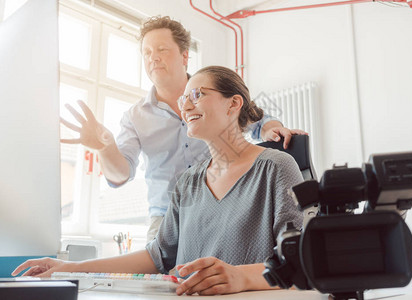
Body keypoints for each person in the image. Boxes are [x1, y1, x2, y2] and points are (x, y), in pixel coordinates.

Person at [13, 66, 304, 296]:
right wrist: (71, 268)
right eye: (183, 99)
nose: (185, 106)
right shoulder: (188, 182)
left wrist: (240, 276)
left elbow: (298, 259)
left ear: (233, 103)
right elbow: (157, 256)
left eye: (197, 95)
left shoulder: (276, 167)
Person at [61, 16, 307, 242]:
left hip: (225, 203)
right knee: (163, 280)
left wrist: (272, 130)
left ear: (184, 56)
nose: (153, 57)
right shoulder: (134, 117)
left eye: (161, 50)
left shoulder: (214, 91)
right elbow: (119, 174)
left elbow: (257, 119)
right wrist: (105, 147)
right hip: (167, 214)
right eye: (146, 52)